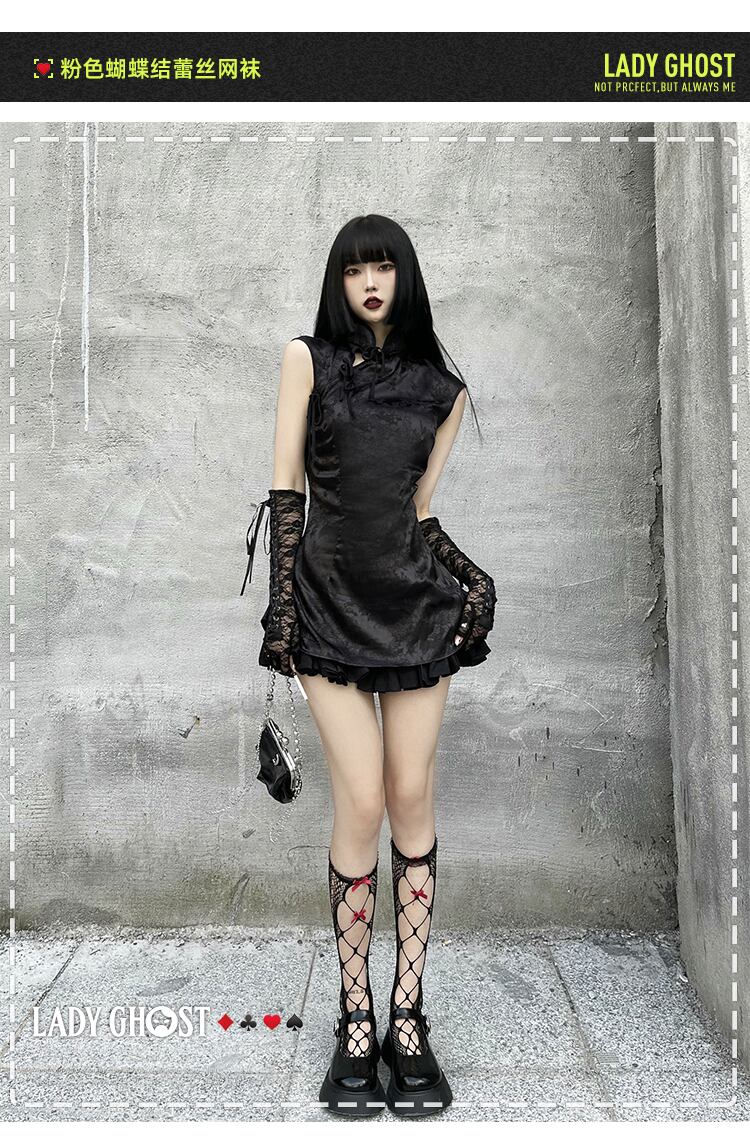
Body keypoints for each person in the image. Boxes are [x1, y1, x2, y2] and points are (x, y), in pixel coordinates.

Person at [246, 214, 496, 1118]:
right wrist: (282, 608)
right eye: (355, 270)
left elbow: (419, 512)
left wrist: (471, 580)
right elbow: (287, 492)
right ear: (339, 282)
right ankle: (357, 1019)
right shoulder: (306, 361)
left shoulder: (443, 390)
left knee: (410, 794)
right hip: (326, 604)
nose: (370, 282)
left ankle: (407, 1017)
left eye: (384, 267)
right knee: (360, 798)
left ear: (405, 277)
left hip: (415, 611)